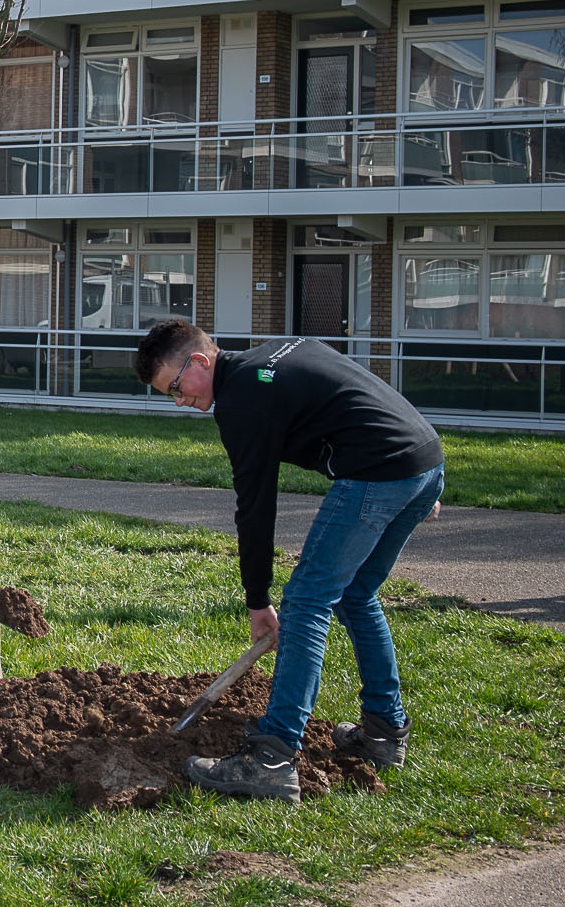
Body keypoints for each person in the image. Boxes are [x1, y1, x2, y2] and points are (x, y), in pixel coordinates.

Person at [135, 319, 445, 805]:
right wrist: (414, 472)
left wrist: (257, 599)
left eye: (175, 387)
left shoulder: (241, 401)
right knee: (357, 594)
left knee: (305, 603)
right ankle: (384, 733)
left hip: (383, 471)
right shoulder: (278, 351)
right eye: (167, 395)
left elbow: (255, 507)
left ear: (199, 361)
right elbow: (356, 394)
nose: (178, 401)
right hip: (421, 460)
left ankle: (272, 758)